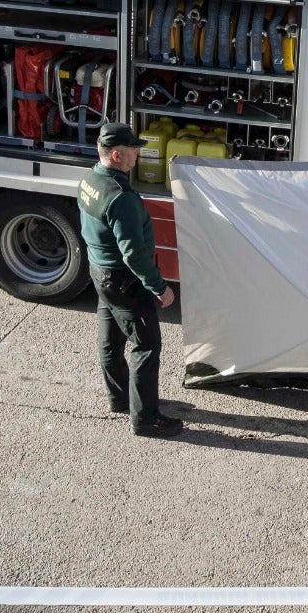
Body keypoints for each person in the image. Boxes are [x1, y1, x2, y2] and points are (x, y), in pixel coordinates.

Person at [78, 122, 182, 437]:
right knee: (146, 346)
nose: (138, 155)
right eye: (133, 150)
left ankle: (120, 398)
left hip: (101, 274)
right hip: (125, 282)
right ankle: (146, 419)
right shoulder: (119, 197)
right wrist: (159, 287)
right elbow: (134, 254)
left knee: (110, 342)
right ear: (116, 155)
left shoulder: (90, 179)